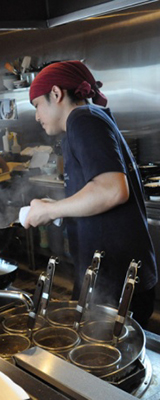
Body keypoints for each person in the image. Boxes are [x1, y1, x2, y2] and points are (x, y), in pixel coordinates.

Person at [24, 61, 158, 326]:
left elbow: (112, 190)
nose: (37, 116)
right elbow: (99, 191)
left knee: (106, 361)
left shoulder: (83, 119)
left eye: (37, 105)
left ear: (56, 94)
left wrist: (51, 209)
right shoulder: (91, 120)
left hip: (114, 279)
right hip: (110, 277)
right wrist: (59, 206)